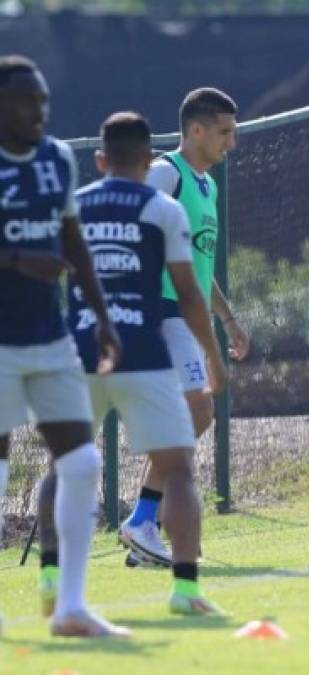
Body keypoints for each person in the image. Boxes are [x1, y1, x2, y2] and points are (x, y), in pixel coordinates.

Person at [37, 111, 228, 616]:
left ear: (99, 160)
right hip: (141, 351)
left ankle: (51, 580)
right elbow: (188, 294)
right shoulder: (162, 208)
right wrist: (213, 355)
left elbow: (45, 273)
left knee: (64, 464)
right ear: (149, 160)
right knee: (178, 470)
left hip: (80, 351)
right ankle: (185, 591)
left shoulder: (72, 208)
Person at [0, 55, 129, 638]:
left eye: (44, 100)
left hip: (51, 337)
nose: (40, 111)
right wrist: (18, 260)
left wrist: (101, 319)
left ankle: (71, 608)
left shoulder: (56, 158)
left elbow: (73, 242)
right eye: (29, 100)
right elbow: (35, 253)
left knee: (81, 463)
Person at [119, 88, 249, 568]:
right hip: (158, 310)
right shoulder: (165, 173)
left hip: (183, 314)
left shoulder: (207, 186)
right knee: (197, 412)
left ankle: (144, 525)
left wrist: (228, 318)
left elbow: (197, 261)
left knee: (192, 415)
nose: (230, 144)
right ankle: (142, 521)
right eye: (224, 132)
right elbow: (127, 223)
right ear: (196, 130)